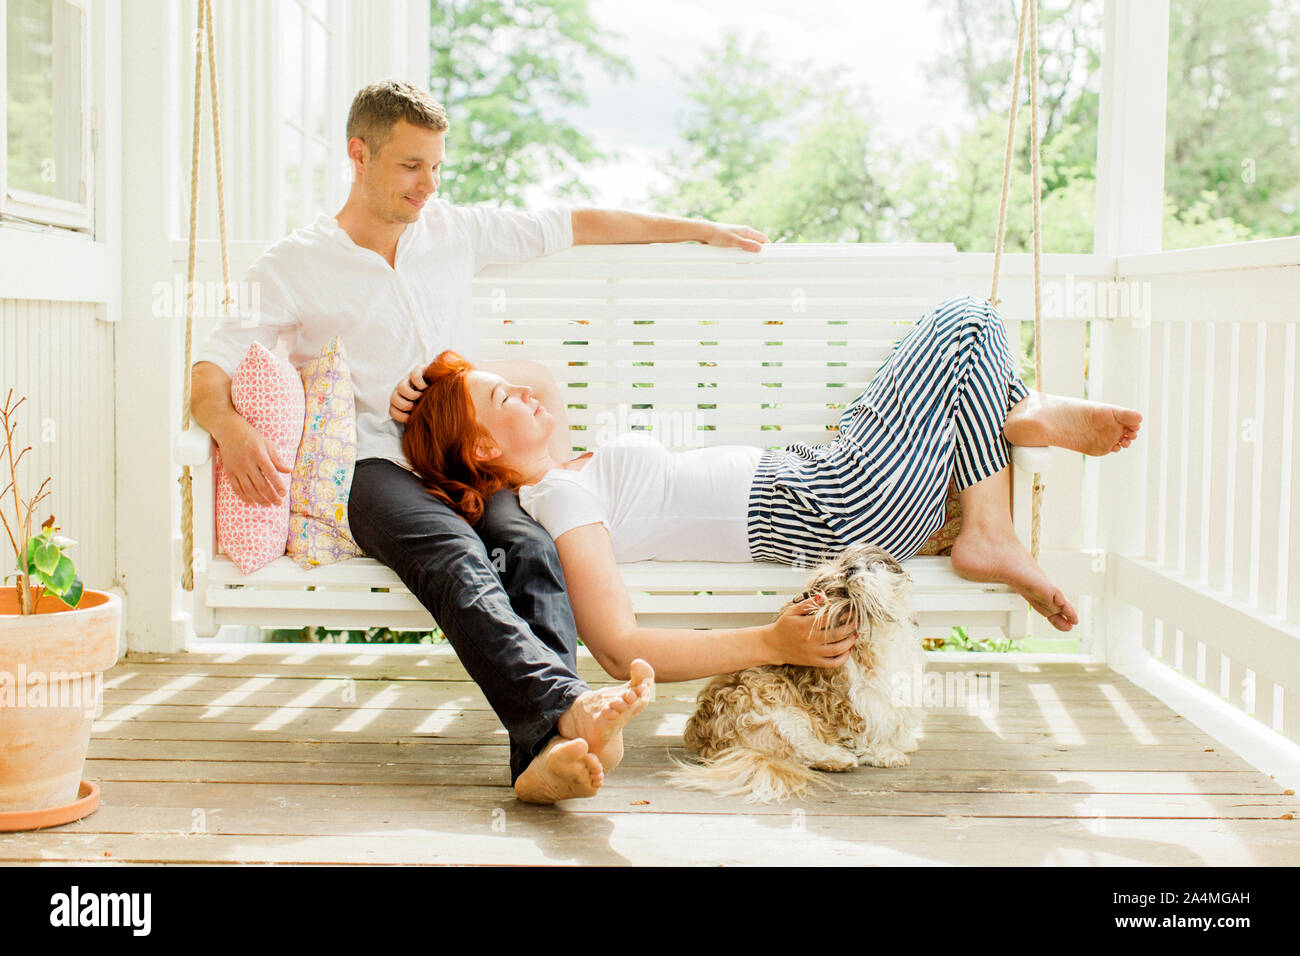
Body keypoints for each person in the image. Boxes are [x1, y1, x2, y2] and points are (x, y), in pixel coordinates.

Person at [188, 79, 776, 805]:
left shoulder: (453, 231)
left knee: (528, 547)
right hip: (372, 466)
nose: (427, 185)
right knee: (456, 555)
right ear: (358, 154)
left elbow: (575, 222)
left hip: (462, 454)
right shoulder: (293, 264)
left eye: (437, 166)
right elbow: (210, 368)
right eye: (410, 166)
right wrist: (230, 424)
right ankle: (567, 720)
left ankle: (543, 756)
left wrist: (697, 228)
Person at [397, 294, 1144, 681]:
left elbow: (537, 378)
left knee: (965, 362)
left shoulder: (559, 464)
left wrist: (438, 381)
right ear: (488, 447)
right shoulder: (559, 500)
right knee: (969, 320)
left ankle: (1012, 435)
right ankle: (1003, 482)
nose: (526, 396)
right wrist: (769, 643)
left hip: (831, 482)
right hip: (830, 500)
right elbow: (618, 648)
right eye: (502, 403)